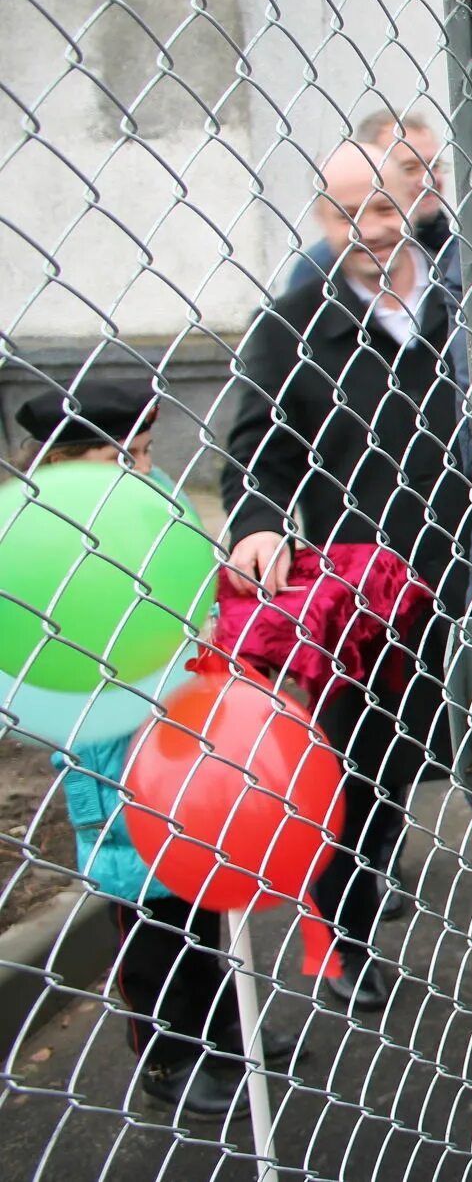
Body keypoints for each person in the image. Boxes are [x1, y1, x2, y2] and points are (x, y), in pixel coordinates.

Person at [223, 138, 472, 1013]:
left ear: (415, 201)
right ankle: (349, 941)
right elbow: (257, 447)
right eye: (342, 214)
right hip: (371, 598)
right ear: (320, 221)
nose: (365, 230)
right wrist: (257, 521)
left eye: (379, 207)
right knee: (365, 777)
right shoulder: (294, 323)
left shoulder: (471, 298)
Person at [14, 379, 295, 1119]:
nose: (138, 466)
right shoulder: (45, 534)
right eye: (119, 456)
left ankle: (229, 1035)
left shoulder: (151, 502)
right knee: (152, 923)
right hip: (111, 759)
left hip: (180, 738)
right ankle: (169, 1055)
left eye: (142, 451)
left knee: (207, 904)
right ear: (64, 462)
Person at [285, 108, 450, 291]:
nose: (429, 180)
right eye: (410, 168)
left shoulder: (458, 245)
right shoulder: (320, 267)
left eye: (435, 165)